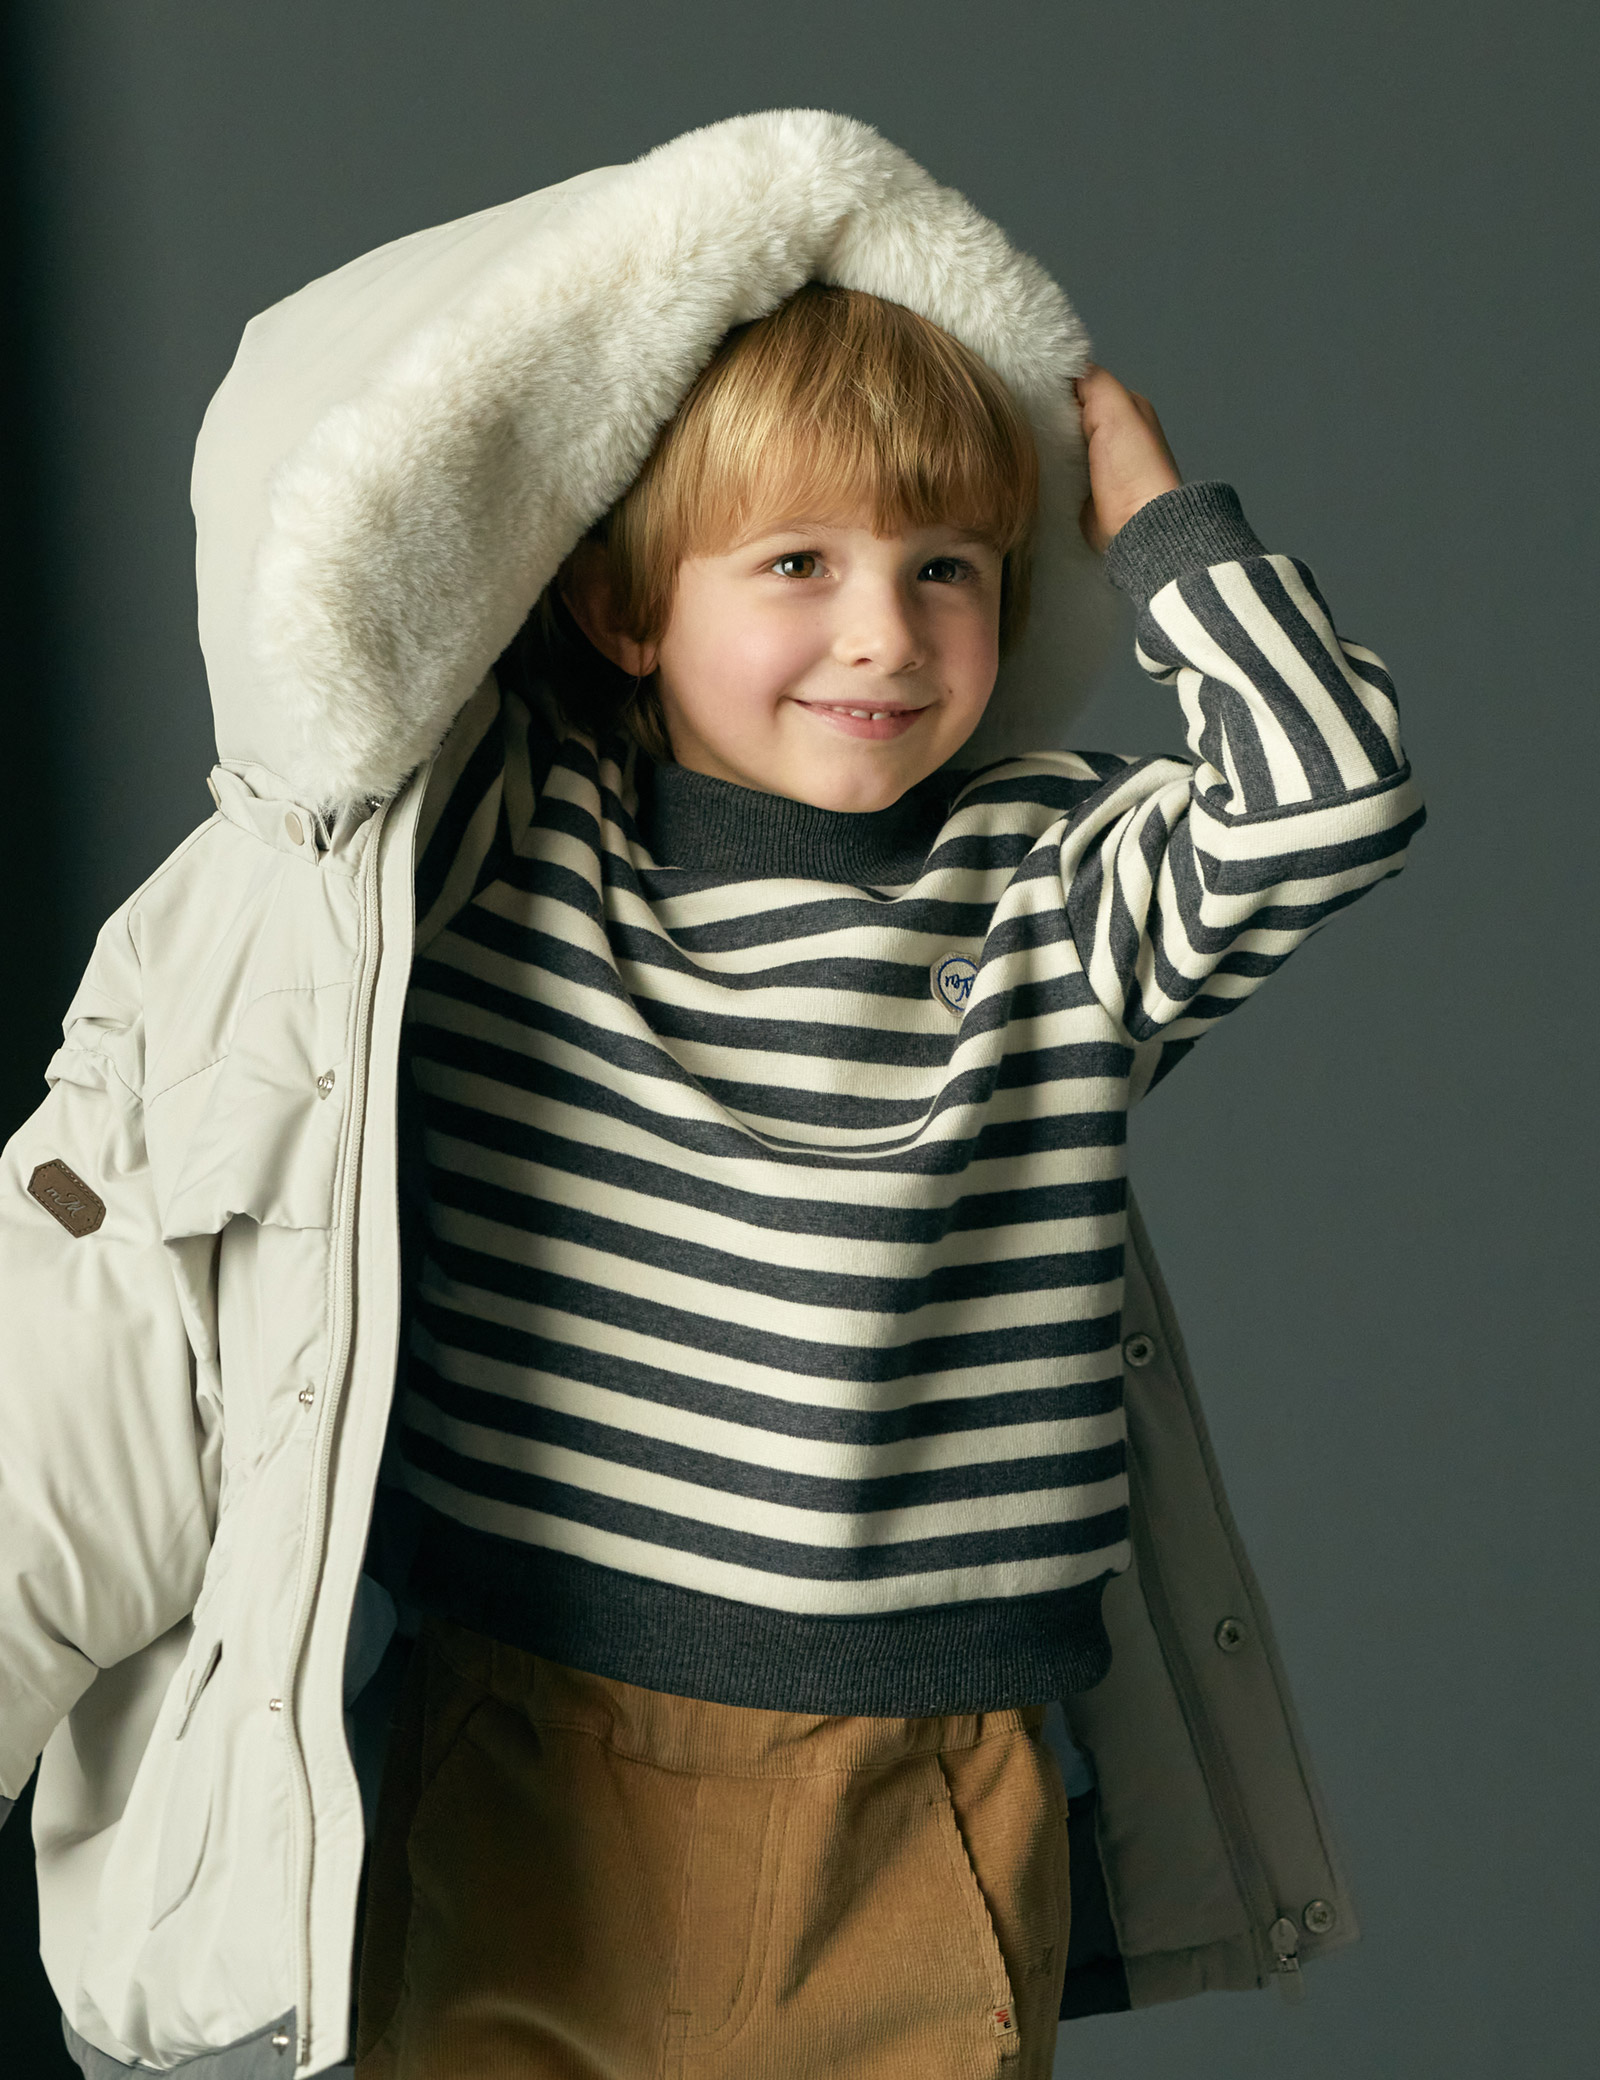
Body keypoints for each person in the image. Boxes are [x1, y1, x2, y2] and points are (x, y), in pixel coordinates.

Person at [0, 111, 1422, 2080]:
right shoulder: (511, 837)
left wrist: (1157, 519)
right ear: (625, 605)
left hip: (917, 1780)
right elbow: (343, 614)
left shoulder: (1051, 882)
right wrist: (620, 323)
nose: (883, 630)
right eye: (796, 563)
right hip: (528, 1734)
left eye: (947, 565)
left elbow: (1330, 798)